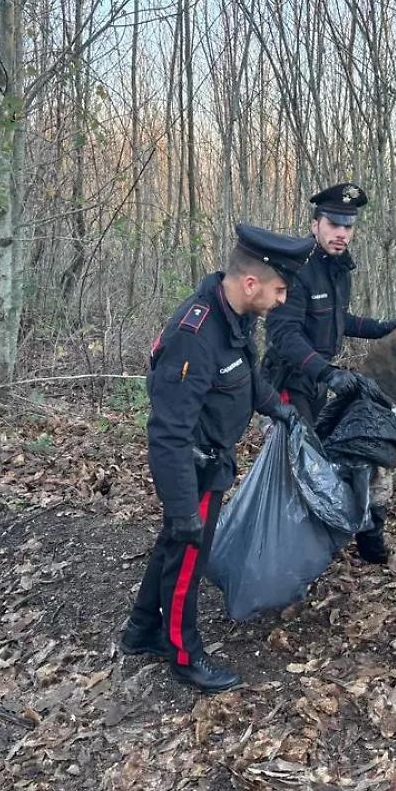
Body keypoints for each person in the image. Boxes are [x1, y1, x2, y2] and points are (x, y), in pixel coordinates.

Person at [121, 224, 312, 693]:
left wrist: (278, 408)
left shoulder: (236, 318)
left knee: (173, 546)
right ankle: (185, 655)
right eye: (280, 289)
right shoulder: (196, 334)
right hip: (194, 468)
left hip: (213, 460)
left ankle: (141, 629)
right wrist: (183, 506)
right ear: (252, 284)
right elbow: (167, 432)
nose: (283, 300)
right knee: (188, 558)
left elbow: (243, 377)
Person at [262, 182, 396, 564]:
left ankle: (316, 538)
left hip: (318, 382)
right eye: (333, 224)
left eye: (348, 226)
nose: (342, 233)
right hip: (289, 385)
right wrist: (326, 373)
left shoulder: (338, 268)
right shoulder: (296, 268)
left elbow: (335, 319)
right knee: (294, 466)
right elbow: (283, 334)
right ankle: (280, 550)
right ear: (316, 225)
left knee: (323, 461)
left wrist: (377, 327)